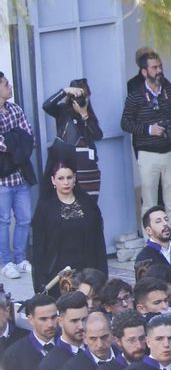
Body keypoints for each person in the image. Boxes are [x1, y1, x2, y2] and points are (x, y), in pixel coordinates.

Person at [120, 49, 171, 239]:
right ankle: (150, 241)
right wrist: (149, 129)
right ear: (144, 71)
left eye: (160, 66)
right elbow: (125, 123)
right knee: (149, 202)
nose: (159, 70)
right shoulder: (135, 95)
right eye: (154, 67)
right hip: (148, 154)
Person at [31, 161, 107, 293]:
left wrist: (102, 274)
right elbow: (39, 248)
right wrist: (40, 282)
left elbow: (99, 242)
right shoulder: (45, 208)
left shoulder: (88, 204)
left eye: (69, 177)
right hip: (57, 272)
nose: (66, 182)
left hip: (87, 268)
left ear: (75, 178)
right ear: (53, 180)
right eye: (61, 178)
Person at [0, 71, 37, 281]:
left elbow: (29, 137)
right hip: (2, 179)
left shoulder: (15, 109)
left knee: (24, 219)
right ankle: (5, 262)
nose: (10, 86)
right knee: (3, 221)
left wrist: (12, 141)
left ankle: (21, 258)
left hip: (20, 175)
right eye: (6, 84)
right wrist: (16, 141)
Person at [42, 78, 103, 202]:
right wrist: (64, 91)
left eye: (84, 95)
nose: (81, 99)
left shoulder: (88, 114)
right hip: (69, 170)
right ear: (71, 97)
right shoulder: (63, 111)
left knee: (90, 206)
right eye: (77, 95)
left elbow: (98, 135)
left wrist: (84, 115)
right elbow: (46, 106)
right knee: (70, 204)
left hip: (89, 171)